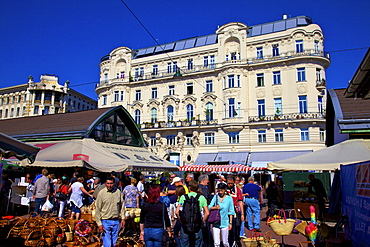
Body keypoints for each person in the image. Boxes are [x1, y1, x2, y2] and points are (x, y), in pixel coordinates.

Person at [176, 180, 209, 247]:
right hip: (197, 224)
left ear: (189, 188)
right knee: (197, 243)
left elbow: (177, 212)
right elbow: (207, 213)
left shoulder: (183, 197)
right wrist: (202, 221)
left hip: (185, 224)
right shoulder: (201, 198)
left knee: (184, 243)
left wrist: (181, 220)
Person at [95, 177, 126, 247]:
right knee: (108, 244)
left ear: (114, 183)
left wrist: (123, 218)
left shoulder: (118, 192)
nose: (109, 185)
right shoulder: (101, 193)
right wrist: (99, 223)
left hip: (116, 220)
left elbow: (122, 206)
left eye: (111, 183)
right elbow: (98, 209)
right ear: (105, 184)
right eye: (108, 183)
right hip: (105, 220)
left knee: (114, 243)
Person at [209, 183, 235, 247]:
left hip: (225, 222)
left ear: (225, 190)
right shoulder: (216, 197)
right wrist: (215, 207)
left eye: (222, 191)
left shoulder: (229, 198)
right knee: (216, 243)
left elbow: (231, 211)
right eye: (219, 190)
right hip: (216, 222)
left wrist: (230, 223)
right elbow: (209, 207)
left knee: (225, 242)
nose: (220, 192)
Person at [226, 176, 244, 246]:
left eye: (231, 183)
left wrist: (242, 214)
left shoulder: (237, 190)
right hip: (226, 212)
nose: (229, 185)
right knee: (227, 229)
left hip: (235, 212)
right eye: (228, 183)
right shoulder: (224, 189)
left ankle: (236, 240)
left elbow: (240, 201)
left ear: (234, 182)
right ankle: (229, 242)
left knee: (236, 227)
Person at [198, 174, 213, 247]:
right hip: (204, 212)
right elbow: (205, 202)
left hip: (197, 211)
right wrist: (205, 213)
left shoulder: (197, 188)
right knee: (206, 230)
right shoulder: (204, 189)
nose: (208, 182)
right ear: (203, 180)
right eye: (207, 180)